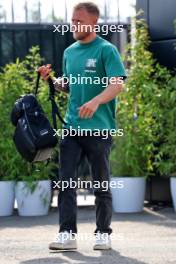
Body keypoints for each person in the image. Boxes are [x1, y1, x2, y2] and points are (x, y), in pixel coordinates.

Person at [38, 2, 126, 251]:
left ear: (93, 22)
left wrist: (96, 101)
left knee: (100, 184)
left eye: (79, 21)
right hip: (72, 128)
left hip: (99, 129)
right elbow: (69, 86)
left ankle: (103, 233)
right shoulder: (69, 52)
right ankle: (67, 233)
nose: (73, 25)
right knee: (66, 183)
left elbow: (117, 84)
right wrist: (52, 80)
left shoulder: (106, 50)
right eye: (72, 20)